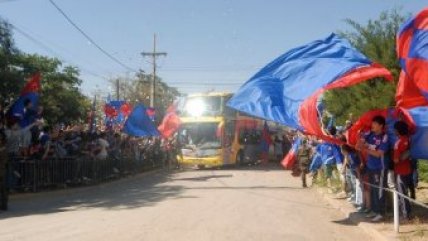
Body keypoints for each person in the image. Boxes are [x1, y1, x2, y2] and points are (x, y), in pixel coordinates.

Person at [356, 115, 388, 222]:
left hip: (380, 168)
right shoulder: (369, 134)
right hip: (370, 166)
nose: (372, 126)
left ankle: (381, 213)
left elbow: (379, 154)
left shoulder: (384, 137)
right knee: (373, 189)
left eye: (375, 124)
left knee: (379, 190)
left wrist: (366, 150)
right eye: (372, 123)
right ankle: (374, 210)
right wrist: (361, 140)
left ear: (381, 126)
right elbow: (358, 146)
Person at [393, 121, 413, 221]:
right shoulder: (409, 139)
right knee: (405, 192)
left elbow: (396, 159)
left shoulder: (398, 142)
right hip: (408, 169)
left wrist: (395, 159)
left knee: (401, 193)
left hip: (400, 171)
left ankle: (405, 215)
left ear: (397, 130)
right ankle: (407, 212)